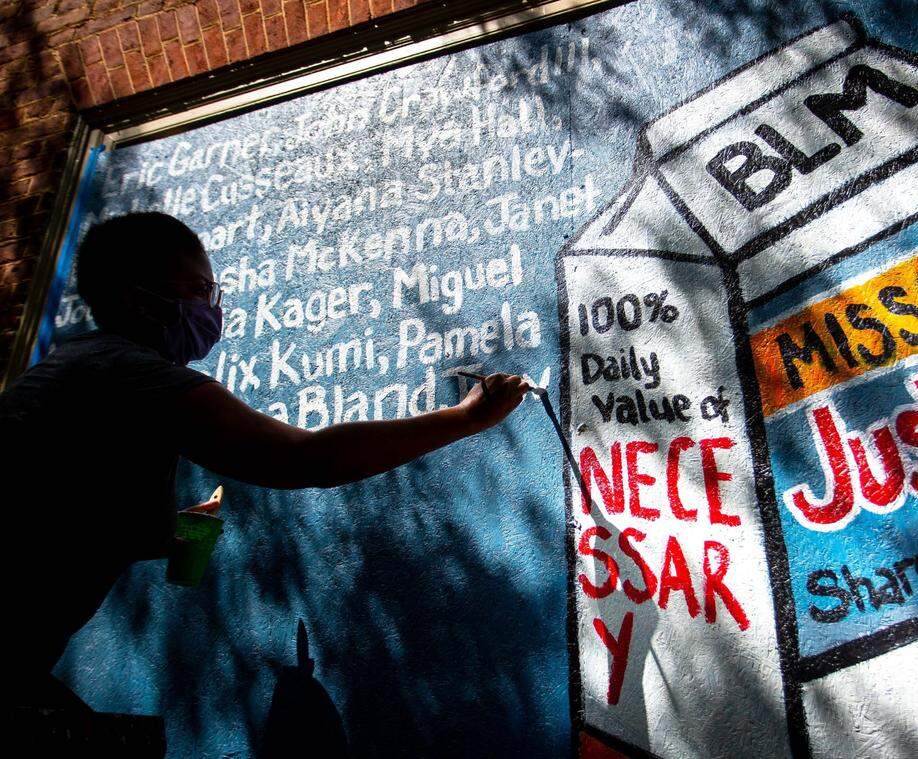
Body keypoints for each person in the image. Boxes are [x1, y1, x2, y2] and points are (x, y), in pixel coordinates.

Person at [1, 212, 529, 705]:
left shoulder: (75, 370)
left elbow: (67, 524)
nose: (214, 308)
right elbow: (308, 459)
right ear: (139, 301)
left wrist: (177, 532)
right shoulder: (131, 375)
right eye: (200, 290)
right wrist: (465, 419)